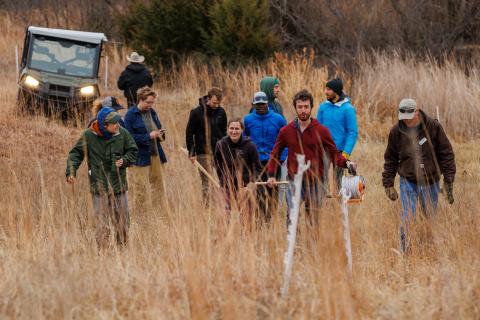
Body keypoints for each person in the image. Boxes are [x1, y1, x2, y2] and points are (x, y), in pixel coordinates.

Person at [267, 89, 357, 225]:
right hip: (294, 182)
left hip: (315, 183)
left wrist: (347, 164)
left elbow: (334, 154)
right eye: (300, 107)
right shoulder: (286, 131)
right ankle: (294, 246)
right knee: (292, 219)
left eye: (306, 107)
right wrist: (272, 175)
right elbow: (275, 153)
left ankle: (312, 246)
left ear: (311, 108)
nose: (303, 110)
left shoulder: (321, 131)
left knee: (313, 221)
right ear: (295, 108)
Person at [382, 98, 456, 251]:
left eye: (409, 117)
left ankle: (429, 248)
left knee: (429, 218)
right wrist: (388, 183)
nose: (406, 121)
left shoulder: (433, 127)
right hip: (408, 181)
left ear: (417, 111)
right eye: (403, 117)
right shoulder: (396, 131)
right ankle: (405, 251)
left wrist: (448, 181)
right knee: (407, 217)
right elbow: (390, 159)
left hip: (431, 181)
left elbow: (446, 154)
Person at [66, 107, 138, 248]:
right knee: (102, 225)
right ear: (104, 126)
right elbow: (75, 154)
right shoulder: (88, 135)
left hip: (119, 187)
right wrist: (71, 172)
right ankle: (102, 253)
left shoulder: (122, 134)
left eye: (118, 122)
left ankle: (122, 250)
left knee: (123, 223)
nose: (118, 125)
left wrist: (125, 160)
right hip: (99, 188)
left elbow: (133, 150)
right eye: (114, 123)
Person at [243, 91, 287, 222]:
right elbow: (244, 139)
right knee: (259, 190)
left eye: (262, 104)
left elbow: (286, 139)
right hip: (256, 161)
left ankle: (271, 218)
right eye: (258, 105)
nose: (260, 107)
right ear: (253, 105)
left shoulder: (278, 119)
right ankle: (260, 219)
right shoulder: (248, 119)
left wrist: (282, 157)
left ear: (267, 103)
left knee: (273, 190)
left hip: (274, 161)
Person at [124, 87, 168, 214]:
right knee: (140, 188)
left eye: (152, 102)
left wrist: (161, 133)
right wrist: (148, 136)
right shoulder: (130, 115)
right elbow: (128, 137)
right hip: (140, 157)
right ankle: (141, 214)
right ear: (141, 100)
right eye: (148, 102)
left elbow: (157, 128)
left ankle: (158, 213)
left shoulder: (152, 112)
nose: (150, 105)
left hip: (156, 154)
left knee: (158, 186)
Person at [185, 87, 227, 204]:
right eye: (214, 103)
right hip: (203, 153)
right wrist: (191, 152)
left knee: (223, 179)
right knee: (207, 182)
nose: (216, 105)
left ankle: (223, 204)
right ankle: (208, 207)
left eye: (218, 103)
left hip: (219, 152)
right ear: (208, 99)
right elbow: (189, 133)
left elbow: (224, 133)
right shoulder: (196, 112)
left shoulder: (221, 112)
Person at [214, 119, 261, 221]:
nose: (234, 131)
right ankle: (225, 236)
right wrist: (223, 180)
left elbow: (257, 167)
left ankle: (247, 236)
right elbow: (217, 165)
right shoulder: (221, 144)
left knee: (247, 217)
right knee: (223, 216)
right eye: (231, 128)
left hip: (245, 188)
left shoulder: (250, 146)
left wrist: (251, 183)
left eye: (237, 129)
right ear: (227, 129)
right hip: (226, 187)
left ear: (242, 130)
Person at [317, 78, 358, 194]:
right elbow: (317, 129)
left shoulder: (348, 109)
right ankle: (322, 204)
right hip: (324, 149)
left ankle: (340, 207)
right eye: (326, 88)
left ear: (336, 91)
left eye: (328, 89)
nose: (325, 91)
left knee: (339, 182)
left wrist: (346, 152)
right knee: (321, 179)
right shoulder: (323, 107)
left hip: (340, 151)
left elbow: (352, 132)